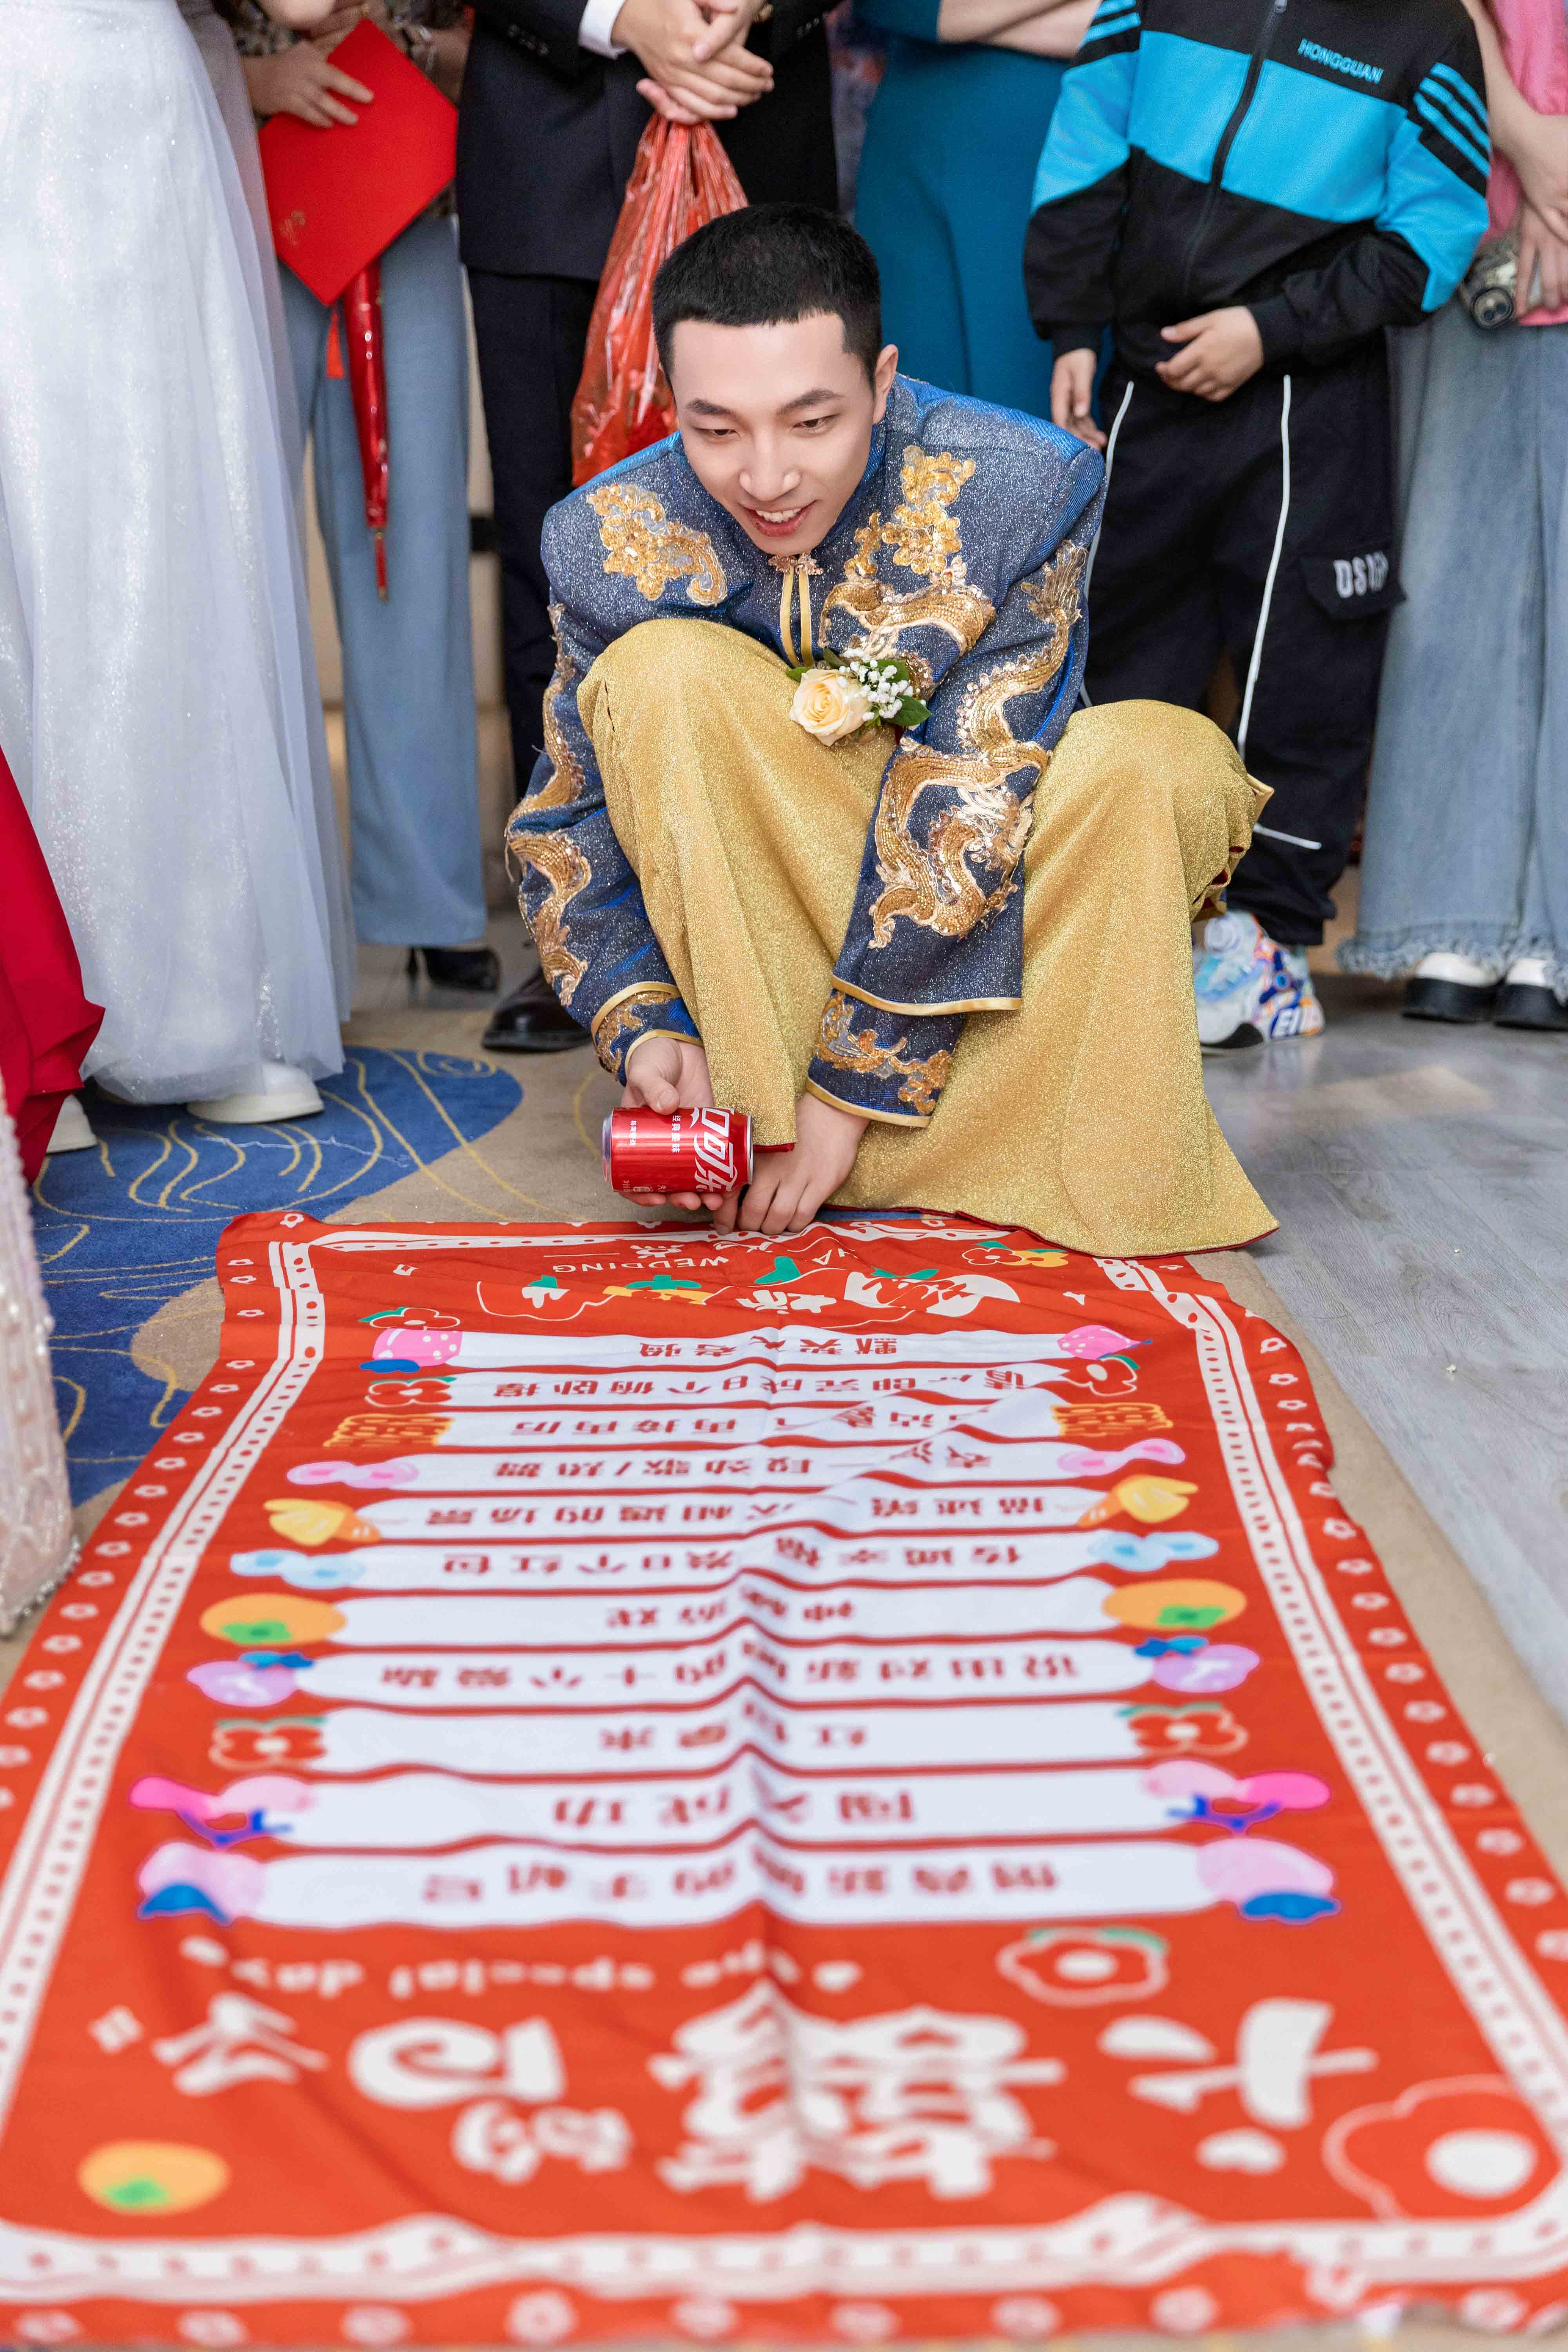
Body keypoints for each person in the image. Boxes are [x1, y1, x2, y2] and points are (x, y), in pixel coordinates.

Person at [506, 206, 1272, 1253]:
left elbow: (975, 784)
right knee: (661, 672)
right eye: (715, 430)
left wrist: (845, 1094)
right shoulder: (603, 536)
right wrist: (646, 1030)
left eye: (810, 422)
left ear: (881, 381)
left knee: (1164, 759)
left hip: (966, 918)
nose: (766, 478)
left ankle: (902, 1143)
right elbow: (571, 822)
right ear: (671, 401)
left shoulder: (1019, 486)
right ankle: (761, 1112)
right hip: (756, 966)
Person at [1025, 0, 1492, 1049]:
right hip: (1147, 385)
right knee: (1119, 647)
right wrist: (1071, 322)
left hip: (1308, 404)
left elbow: (1433, 239)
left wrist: (1269, 328)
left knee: (1303, 668)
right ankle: (1114, 914)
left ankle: (1270, 945)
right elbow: (1086, 139)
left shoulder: (1426, 33)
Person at [457, 0, 839, 1054]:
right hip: (548, 158)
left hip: (761, 127)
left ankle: (777, 906)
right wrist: (622, 16)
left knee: (779, 529)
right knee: (557, 556)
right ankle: (577, 933)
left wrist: (742, 10)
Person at [0, 0, 354, 1122]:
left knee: (119, 519)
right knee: (126, 516)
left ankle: (99, 1015)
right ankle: (133, 1010)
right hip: (85, 101)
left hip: (99, 109)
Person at [237, 0, 495, 993]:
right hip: (234, 182)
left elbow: (503, 33)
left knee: (412, 558)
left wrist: (414, 52)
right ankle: (248, 905)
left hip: (402, 175)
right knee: (227, 551)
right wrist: (253, 81)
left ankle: (427, 899)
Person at [1344, 0, 1568, 1031]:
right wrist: (1536, 150)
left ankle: (1543, 933)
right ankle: (1454, 913)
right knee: (1451, 578)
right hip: (1472, 188)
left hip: (1501, 179)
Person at [853, 0, 1094, 414]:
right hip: (922, 146)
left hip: (1077, 146)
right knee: (917, 413)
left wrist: (952, 24)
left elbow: (1160, 19)